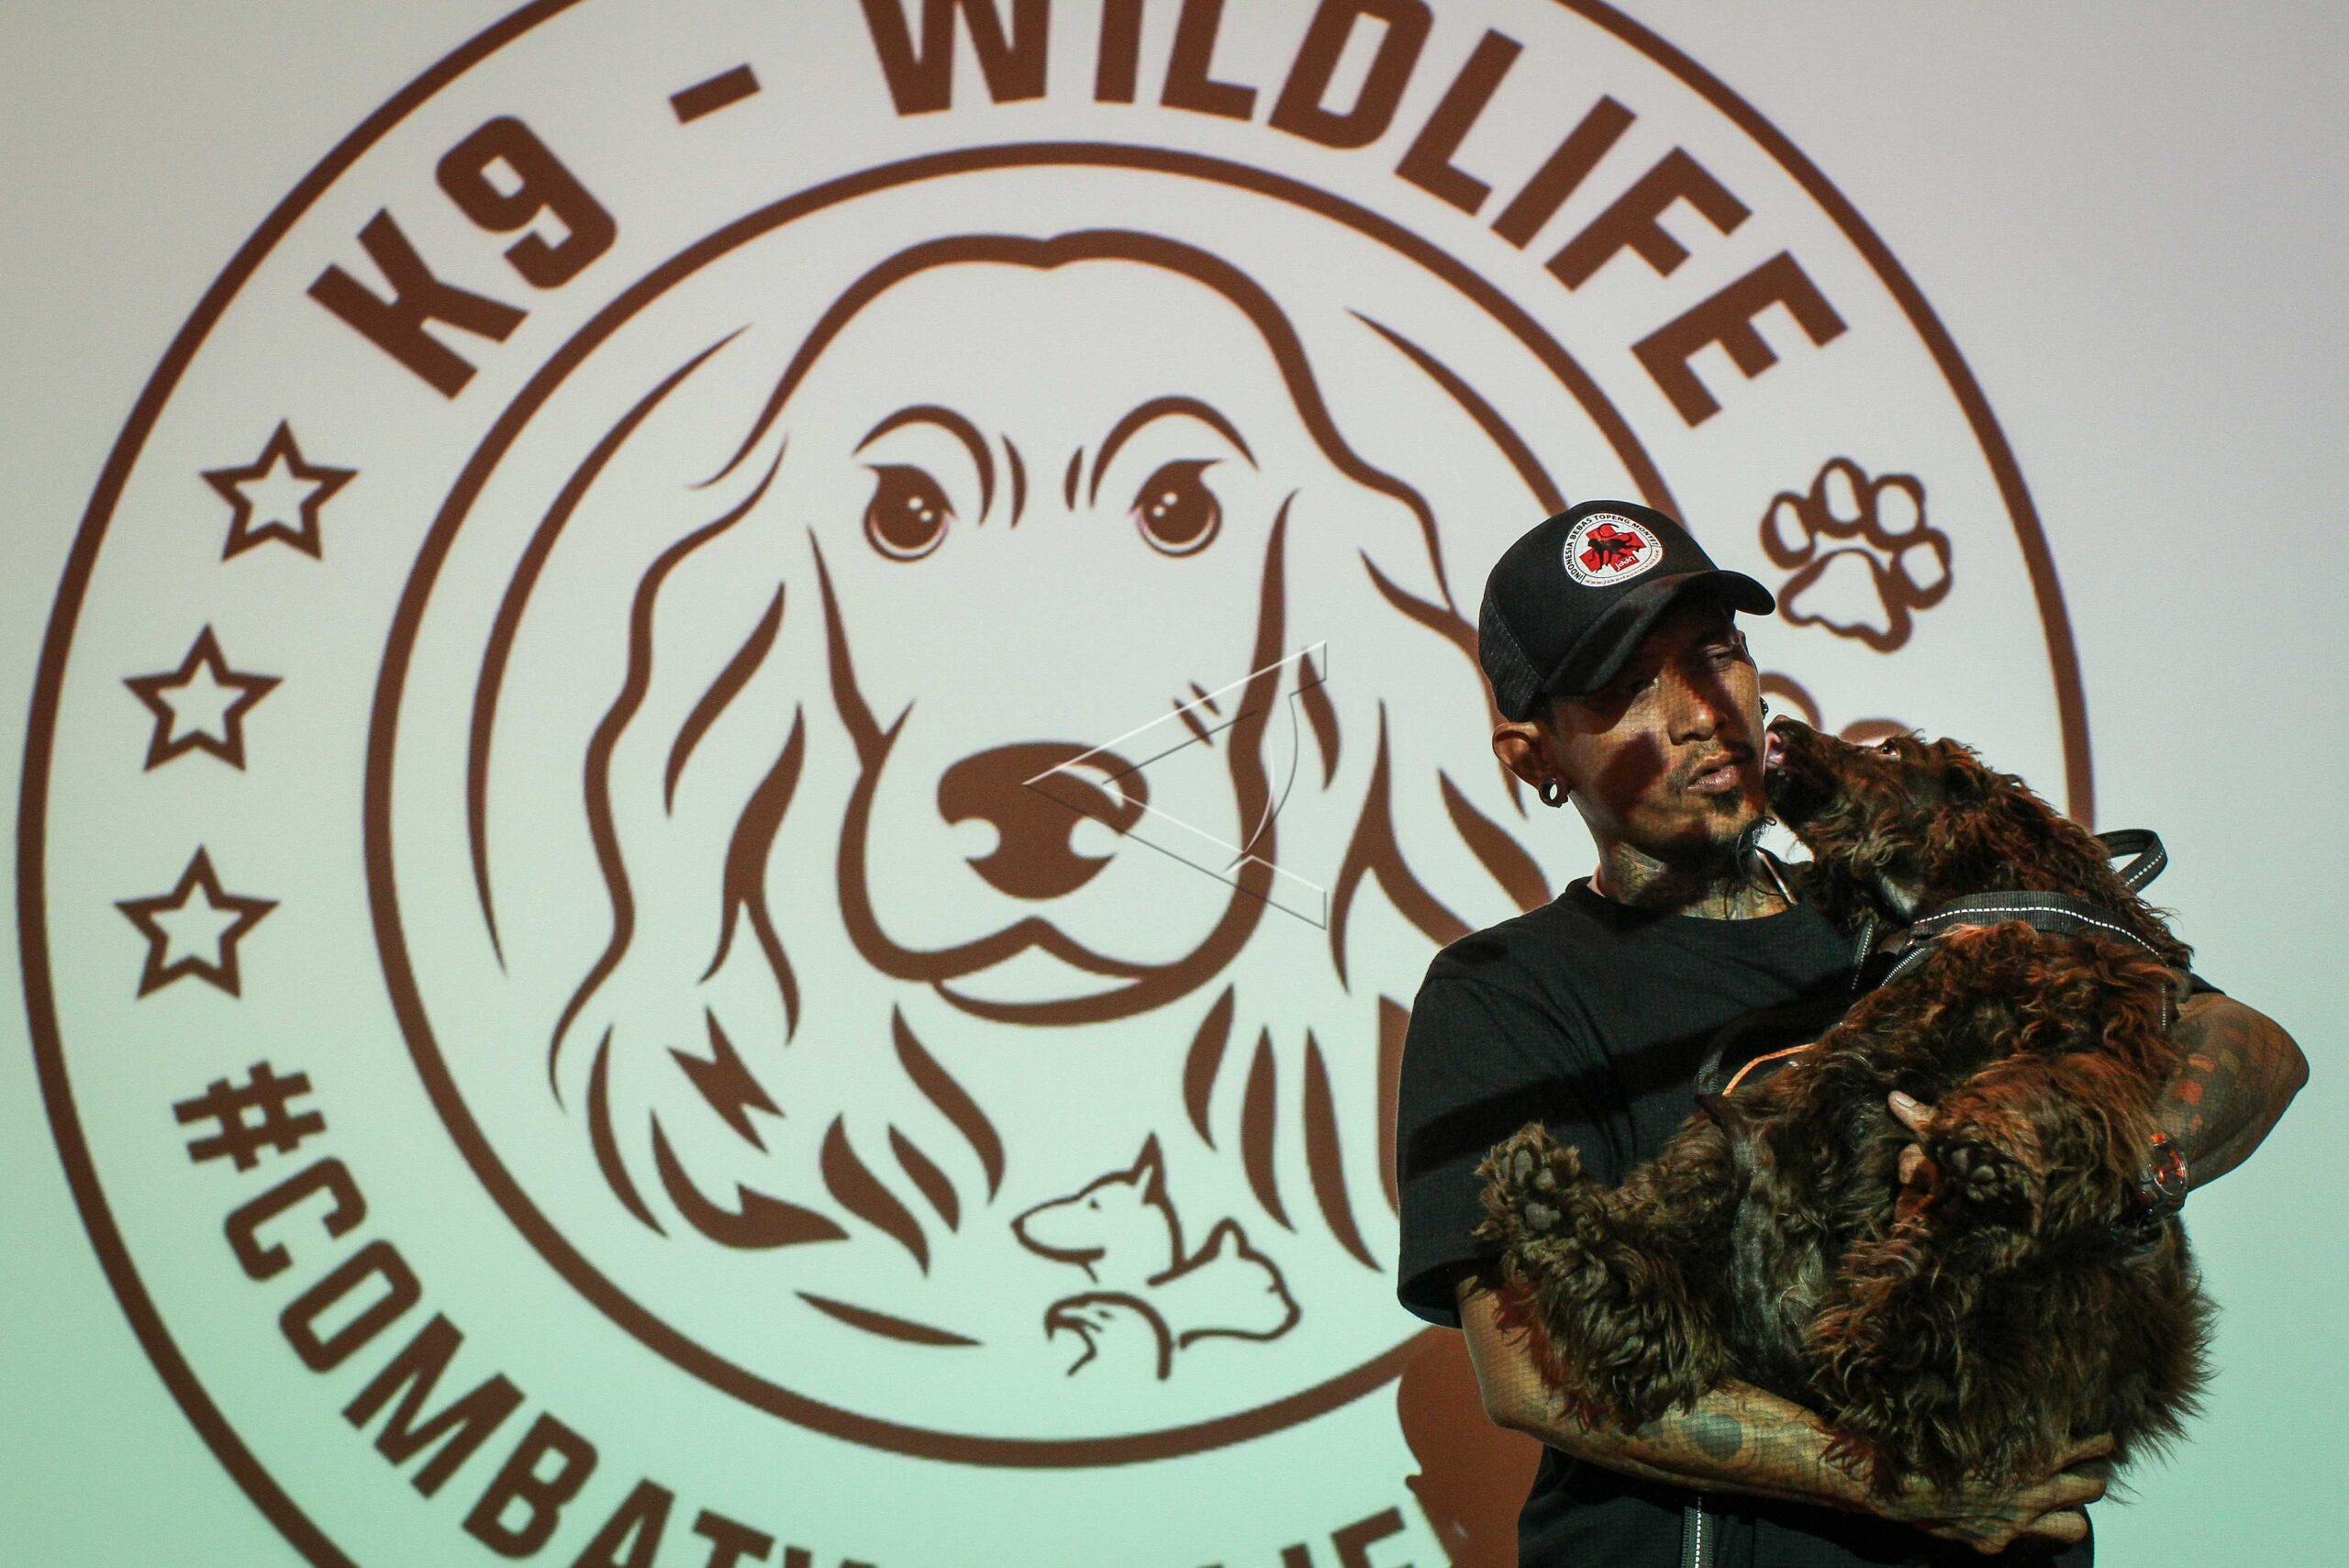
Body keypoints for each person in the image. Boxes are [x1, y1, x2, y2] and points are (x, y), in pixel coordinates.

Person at [1393, 500, 2308, 1565]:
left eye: (1716, 652)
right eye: (1627, 685)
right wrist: (1901, 1479)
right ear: (1534, 755)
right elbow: (1534, 1368)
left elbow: (2244, 1041)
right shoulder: (1504, 991)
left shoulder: (1924, 904)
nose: (1699, 711)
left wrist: (2111, 1164)